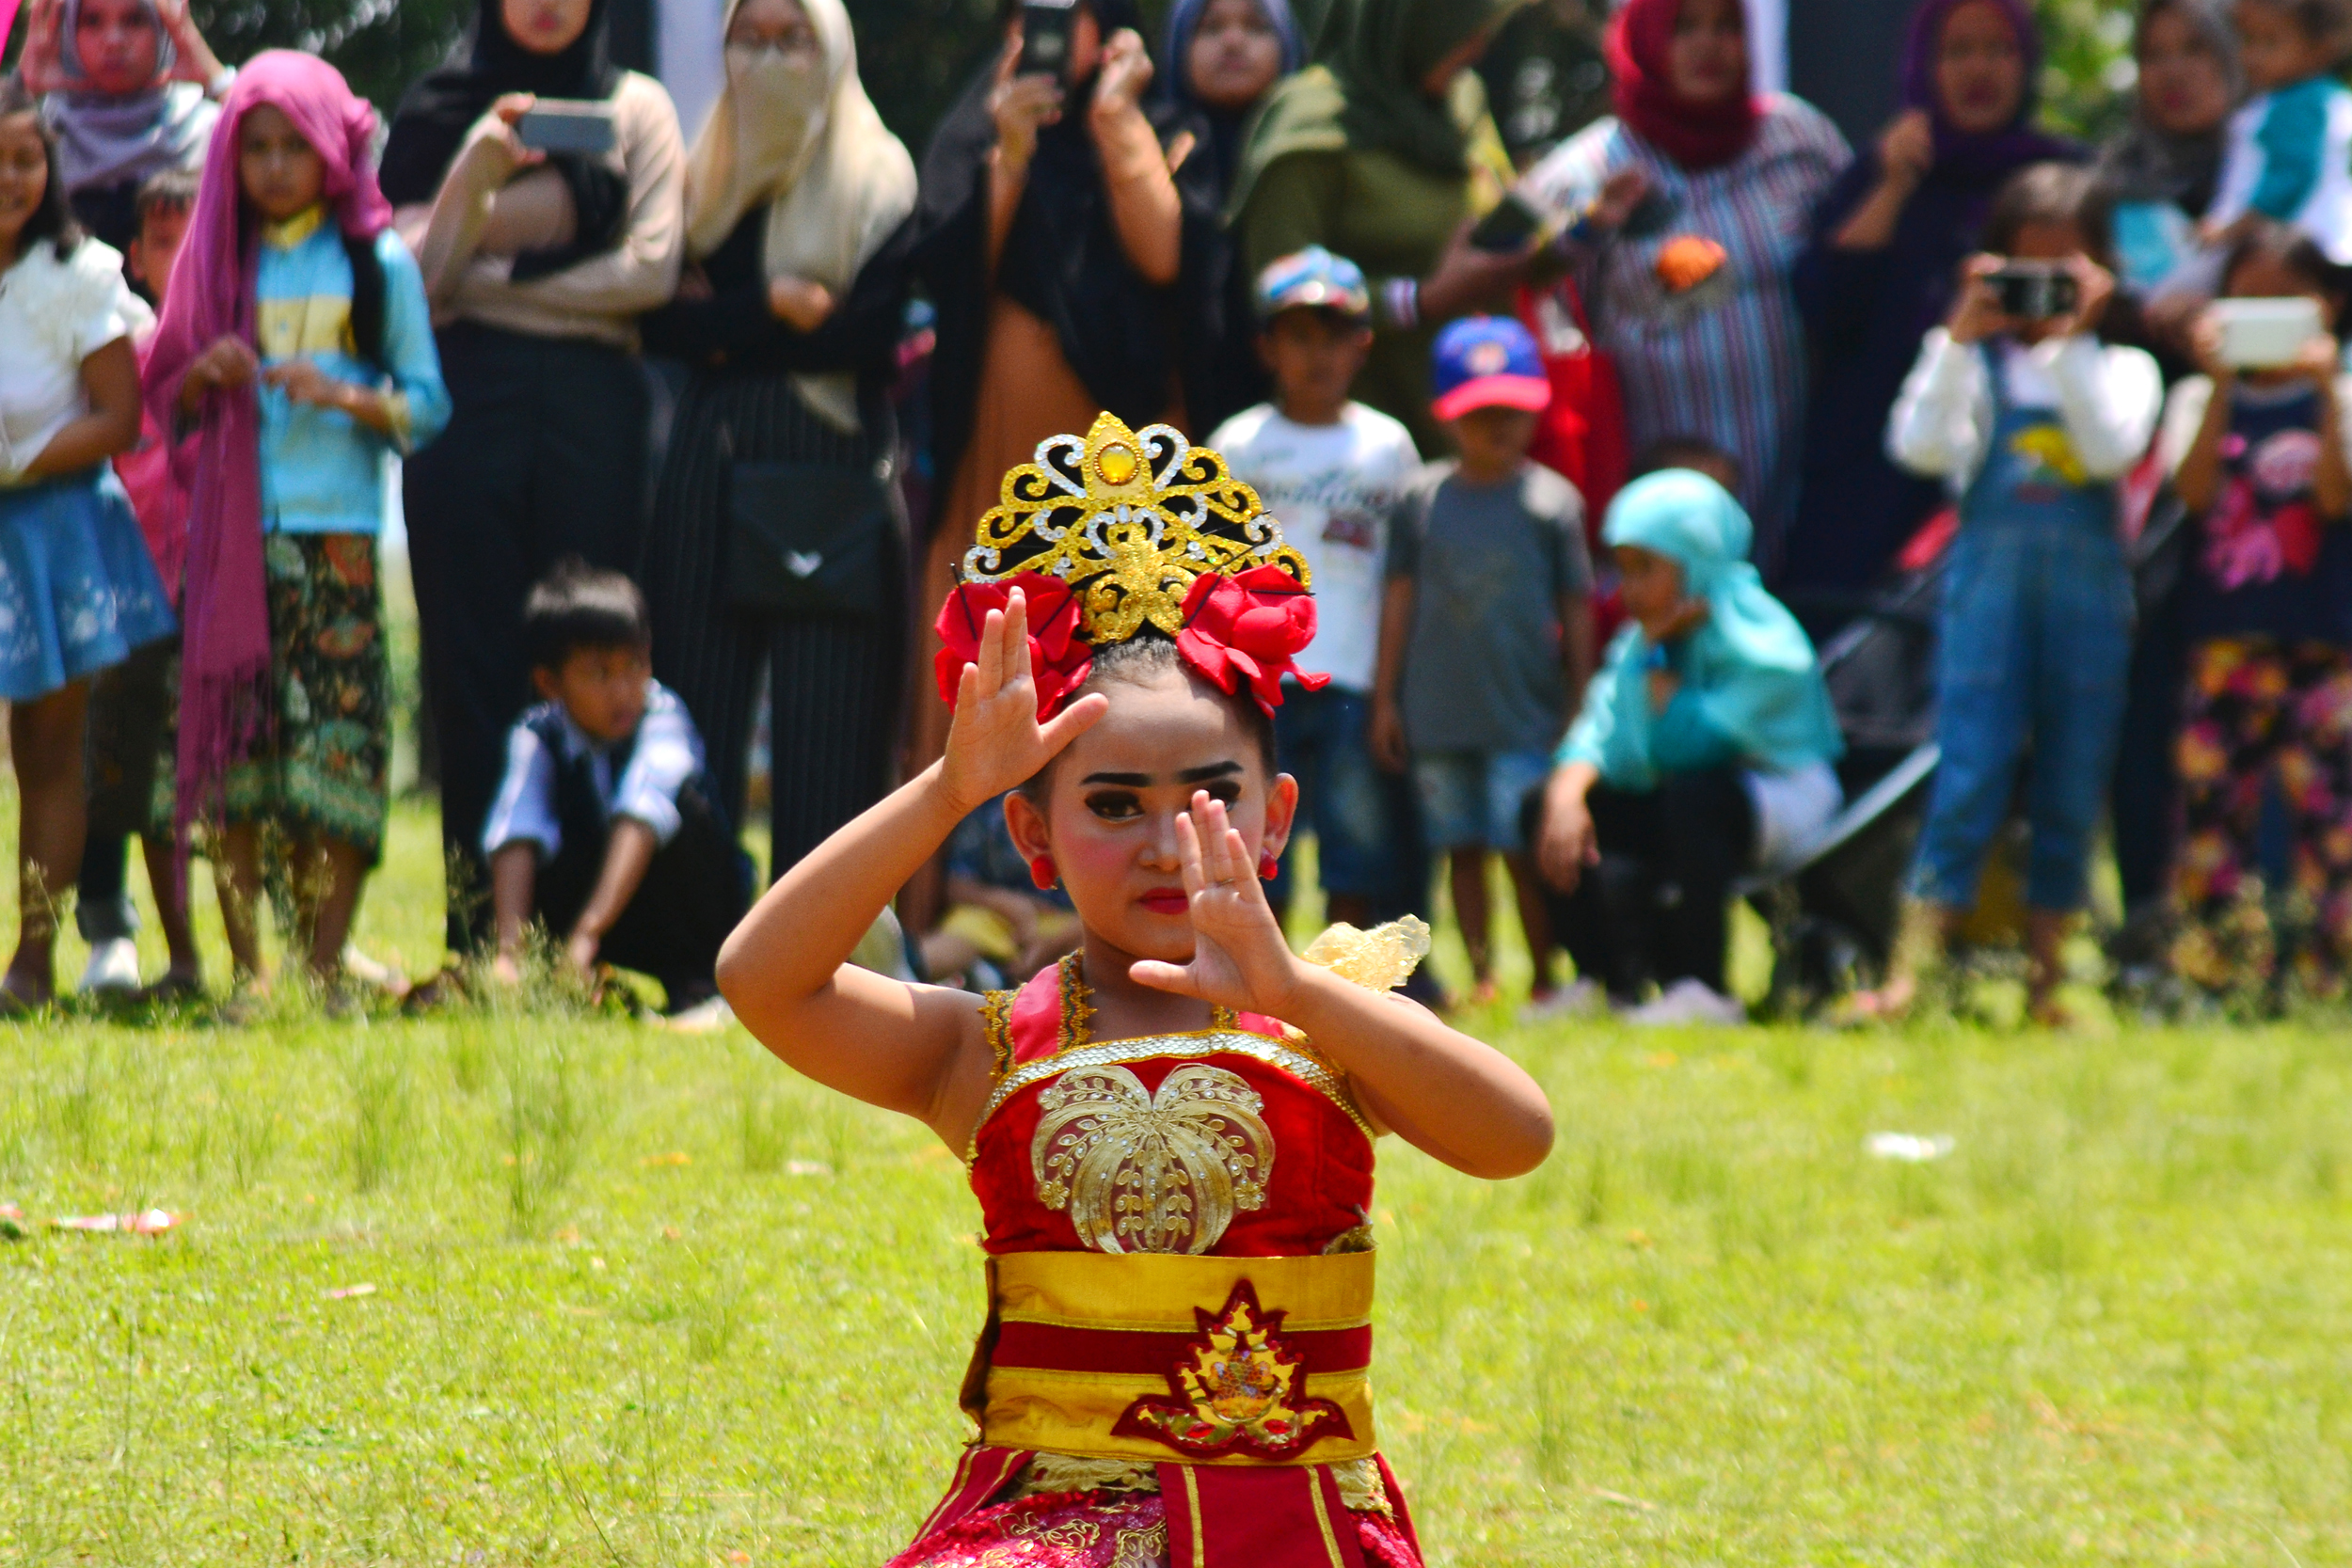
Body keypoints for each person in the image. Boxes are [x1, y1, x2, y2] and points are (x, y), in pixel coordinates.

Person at [717, 411, 1553, 1567]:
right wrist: (943, 787)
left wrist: (1296, 987)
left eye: (1208, 793)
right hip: (1042, 1530)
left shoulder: (1332, 1017)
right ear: (1032, 832)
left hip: (1302, 1530)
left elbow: (1517, 1134)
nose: (1165, 841)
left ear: (1276, 816)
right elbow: (760, 978)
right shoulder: (988, 1047)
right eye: (1112, 803)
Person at [141, 52, 452, 995]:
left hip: (343, 539)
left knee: (341, 760)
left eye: (295, 146)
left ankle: (321, 975)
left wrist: (346, 394)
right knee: (239, 761)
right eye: (257, 147)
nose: (275, 166)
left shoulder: (377, 259)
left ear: (333, 149)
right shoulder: (213, 255)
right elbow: (163, 396)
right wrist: (204, 372)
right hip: (230, 546)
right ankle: (248, 977)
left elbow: (429, 405)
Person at [380, 0, 687, 956]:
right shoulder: (436, 112)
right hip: (465, 398)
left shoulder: (637, 107)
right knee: (472, 664)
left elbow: (649, 269)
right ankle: (479, 939)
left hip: (596, 403)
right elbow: (407, 276)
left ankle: (598, 938)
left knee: (597, 662)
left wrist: (489, 274)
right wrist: (475, 169)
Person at [908, 0, 1227, 829]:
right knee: (980, 654)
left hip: (1122, 469)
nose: (1049, 28)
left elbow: (1167, 256)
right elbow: (945, 264)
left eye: (1071, 11)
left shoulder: (1156, 118)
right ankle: (954, 900)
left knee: (1119, 665)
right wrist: (1008, 151)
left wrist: (1116, 118)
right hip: (998, 454)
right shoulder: (981, 118)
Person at [1872, 164, 2163, 1025]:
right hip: (1986, 597)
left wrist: (2074, 339)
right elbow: (1919, 446)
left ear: (2102, 270)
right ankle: (1912, 971)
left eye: (2062, 272)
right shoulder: (1976, 370)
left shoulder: (2123, 368)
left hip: (2089, 602)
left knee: (2075, 780)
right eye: (2024, 271)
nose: (2040, 295)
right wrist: (1956, 338)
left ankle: (2048, 982)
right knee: (1969, 767)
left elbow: (2111, 449)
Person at [635, 0, 918, 876]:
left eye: (791, 39)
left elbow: (869, 337)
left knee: (828, 724)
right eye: (746, 40)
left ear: (832, 46)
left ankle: (815, 960)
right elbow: (660, 328)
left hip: (829, 469)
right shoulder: (699, 174)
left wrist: (724, 327)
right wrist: (773, 306)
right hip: (709, 469)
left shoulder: (880, 179)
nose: (767, 61)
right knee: (695, 707)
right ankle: (696, 935)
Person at [1518, 0, 1850, 577]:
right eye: (1684, 27)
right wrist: (1588, 227)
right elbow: (1515, 279)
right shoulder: (1589, 171)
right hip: (1654, 515)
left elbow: (1856, 280)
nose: (1709, 46)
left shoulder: (1797, 139)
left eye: (1726, 26)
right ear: (1644, 39)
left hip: (1797, 495)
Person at [1782, 0, 2077, 614]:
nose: (1980, 69)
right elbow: (1823, 305)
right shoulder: (1883, 169)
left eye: (1999, 50)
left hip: (2017, 479)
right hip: (1869, 476)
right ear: (1924, 63)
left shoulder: (2060, 179)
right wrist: (1894, 185)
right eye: (1958, 51)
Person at [1536, 468, 1842, 1023]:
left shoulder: (1769, 644)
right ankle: (1606, 983)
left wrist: (1656, 660)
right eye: (1621, 569)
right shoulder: (1642, 639)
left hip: (1785, 802)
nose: (1629, 588)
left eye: (1646, 568)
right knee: (1543, 805)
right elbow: (1599, 732)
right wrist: (1565, 794)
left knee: (1693, 795)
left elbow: (1682, 751)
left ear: (1696, 560)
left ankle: (1705, 987)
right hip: (1693, 804)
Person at [0, 74, 172, 1011]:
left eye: (26, 157)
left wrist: (18, 458)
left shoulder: (79, 275)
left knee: (47, 748)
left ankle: (29, 964)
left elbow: (118, 417)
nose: (12, 177)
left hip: (57, 529)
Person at [1374, 316, 1594, 1008]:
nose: (1498, 427)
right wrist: (1385, 697)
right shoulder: (1421, 499)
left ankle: (1547, 974)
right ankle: (1484, 973)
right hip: (1438, 710)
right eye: (1480, 413)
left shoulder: (1552, 502)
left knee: (1521, 850)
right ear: (1447, 414)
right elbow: (1399, 598)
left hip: (1522, 711)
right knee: (1459, 849)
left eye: (1512, 411)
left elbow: (1579, 604)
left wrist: (1579, 695)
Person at [2159, 223, 2352, 998]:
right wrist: (2221, 387)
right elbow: (2195, 493)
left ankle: (2326, 982)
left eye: (2286, 301)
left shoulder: (2343, 390)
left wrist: (2325, 385)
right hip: (2224, 645)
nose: (2267, 315)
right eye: (2249, 300)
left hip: (2328, 644)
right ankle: (2209, 976)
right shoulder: (2198, 397)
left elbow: (2336, 495)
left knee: (2335, 822)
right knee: (2212, 819)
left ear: (2330, 306)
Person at [1209, 248, 1421, 933]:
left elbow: (1400, 576)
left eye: (1334, 335)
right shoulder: (1239, 445)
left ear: (1362, 345)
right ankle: (1260, 968)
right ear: (1267, 346)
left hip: (1353, 675)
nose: (1317, 354)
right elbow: (1210, 573)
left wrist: (1390, 690)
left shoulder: (1387, 446)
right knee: (1256, 826)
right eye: (1299, 335)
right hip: (1260, 676)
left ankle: (1341, 979)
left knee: (1354, 837)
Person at [1229, 0, 1531, 458]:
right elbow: (1279, 294)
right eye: (1461, 30)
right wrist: (1418, 300)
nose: (1478, 48)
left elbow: (1500, 224)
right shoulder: (1312, 127)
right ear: (1406, 23)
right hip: (1347, 458)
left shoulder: (1462, 103)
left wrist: (1580, 230)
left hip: (1476, 431)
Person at [483, 561, 748, 1021]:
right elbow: (516, 830)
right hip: (606, 910)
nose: (624, 690)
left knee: (687, 815)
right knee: (543, 838)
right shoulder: (538, 735)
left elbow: (641, 818)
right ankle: (557, 975)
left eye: (635, 666)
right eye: (600, 674)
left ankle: (697, 983)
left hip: (676, 910)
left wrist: (587, 932)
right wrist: (510, 952)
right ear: (550, 683)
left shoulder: (664, 714)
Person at [76, 166, 199, 997]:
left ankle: (246, 953)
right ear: (136, 259)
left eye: (202, 234)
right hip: (131, 600)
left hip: (221, 601)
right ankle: (116, 934)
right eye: (164, 238)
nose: (185, 253)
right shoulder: (128, 361)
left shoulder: (253, 357)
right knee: (119, 774)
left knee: (218, 788)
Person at [1159, 0, 1307, 430]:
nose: (1233, 41)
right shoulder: (1149, 153)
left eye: (1256, 27)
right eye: (1209, 28)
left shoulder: (1312, 153)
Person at [14, 0, 229, 252]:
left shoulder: (210, 132)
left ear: (166, 26)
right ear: (67, 29)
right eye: (92, 21)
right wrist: (20, 90)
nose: (114, 41)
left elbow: (277, 140)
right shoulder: (38, 139)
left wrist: (215, 78)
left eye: (135, 21)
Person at [2099, 0, 2243, 299]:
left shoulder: (2279, 174)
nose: (2173, 73)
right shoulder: (2111, 184)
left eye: (2195, 49)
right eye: (2154, 55)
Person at [2201, 0, 2352, 261]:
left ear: (2320, 48)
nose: (2252, 55)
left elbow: (2291, 174)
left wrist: (2237, 227)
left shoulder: (2299, 105)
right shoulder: (2319, 98)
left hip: (2297, 253)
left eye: (2269, 42)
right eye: (2248, 40)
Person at [918, 791, 1084, 989]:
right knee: (949, 945)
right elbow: (956, 883)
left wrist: (1050, 946)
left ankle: (990, 979)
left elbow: (1105, 907)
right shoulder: (987, 799)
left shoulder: (1081, 797)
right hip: (995, 918)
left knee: (1089, 952)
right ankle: (903, 973)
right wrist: (1006, 904)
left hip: (1071, 926)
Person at [1477, 0, 1611, 169]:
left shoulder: (1602, 20)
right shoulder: (1521, 23)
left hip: (1572, 158)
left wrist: (1583, 23)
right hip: (1513, 154)